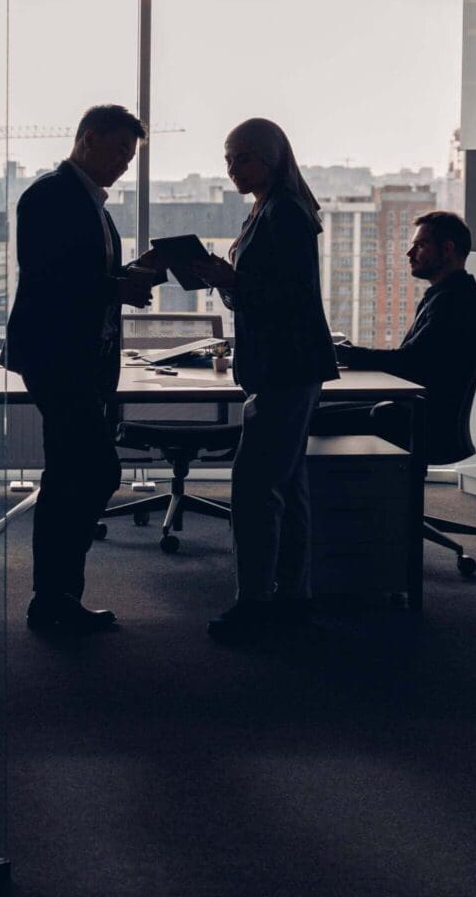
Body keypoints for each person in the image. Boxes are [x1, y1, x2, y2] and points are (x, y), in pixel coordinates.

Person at [5, 104, 164, 635]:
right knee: (88, 474)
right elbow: (49, 278)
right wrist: (115, 286)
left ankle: (55, 598)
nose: (125, 163)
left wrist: (127, 276)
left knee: (74, 474)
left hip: (83, 357)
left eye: (131, 155)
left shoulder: (91, 204)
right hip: (57, 355)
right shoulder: (51, 195)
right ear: (89, 139)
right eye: (120, 150)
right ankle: (52, 598)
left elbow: (82, 273)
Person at [187, 118, 337, 645]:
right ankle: (292, 597)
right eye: (227, 159)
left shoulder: (287, 214)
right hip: (281, 366)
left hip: (287, 366)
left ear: (270, 158)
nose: (231, 168)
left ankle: (255, 603)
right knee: (286, 487)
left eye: (240, 158)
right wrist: (225, 280)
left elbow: (287, 297)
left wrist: (230, 278)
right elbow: (257, 291)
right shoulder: (267, 208)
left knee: (254, 489)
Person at [318, 210, 476, 459]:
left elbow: (410, 363)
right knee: (306, 418)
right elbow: (415, 360)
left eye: (420, 245)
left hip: (424, 421)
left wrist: (347, 355)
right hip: (415, 411)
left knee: (299, 423)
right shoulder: (448, 295)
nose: (410, 254)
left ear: (447, 248)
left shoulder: (453, 303)